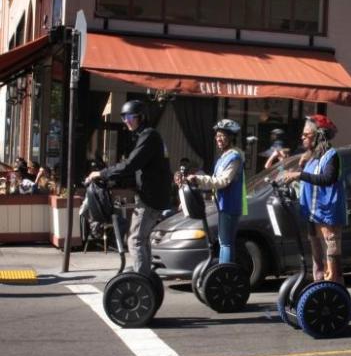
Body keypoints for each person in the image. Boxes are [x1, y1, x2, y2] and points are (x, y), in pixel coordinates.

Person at [86, 99, 171, 276]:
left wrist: (101, 174)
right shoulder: (148, 136)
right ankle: (146, 276)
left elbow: (130, 164)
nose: (126, 120)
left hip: (150, 197)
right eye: (124, 117)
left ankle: (141, 280)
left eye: (130, 116)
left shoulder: (149, 136)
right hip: (153, 195)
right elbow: (137, 166)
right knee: (143, 238)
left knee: (135, 240)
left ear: (141, 117)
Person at [282, 114, 347, 284]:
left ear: (319, 135)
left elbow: (327, 179)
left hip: (327, 214)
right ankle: (319, 287)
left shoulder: (331, 155)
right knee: (317, 256)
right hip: (312, 213)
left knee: (330, 254)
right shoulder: (311, 158)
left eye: (306, 134)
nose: (302, 137)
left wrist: (299, 174)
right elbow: (305, 185)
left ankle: (333, 287)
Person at [185, 119, 246, 263]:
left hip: (230, 205)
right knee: (224, 240)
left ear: (231, 137)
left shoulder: (234, 158)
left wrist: (199, 180)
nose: (217, 138)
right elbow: (213, 181)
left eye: (221, 135)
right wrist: (196, 180)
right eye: (217, 135)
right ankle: (226, 271)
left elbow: (223, 181)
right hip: (222, 204)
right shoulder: (222, 159)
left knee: (225, 242)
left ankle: (225, 273)